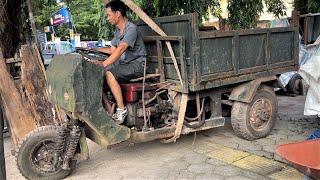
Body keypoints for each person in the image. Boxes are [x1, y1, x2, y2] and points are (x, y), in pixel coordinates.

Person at [92, 0, 146, 124]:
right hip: (125, 64)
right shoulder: (118, 30)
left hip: (137, 65)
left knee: (109, 73)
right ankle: (108, 107)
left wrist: (104, 64)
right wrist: (94, 50)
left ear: (118, 14)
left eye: (109, 15)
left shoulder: (131, 28)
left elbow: (121, 49)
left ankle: (121, 110)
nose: (107, 18)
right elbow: (112, 50)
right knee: (99, 72)